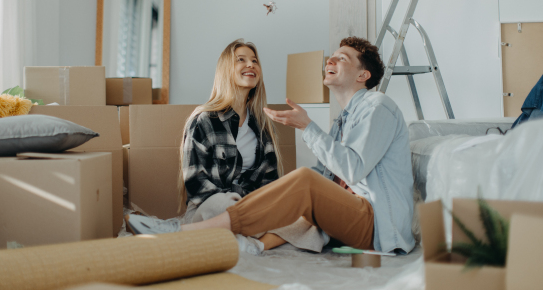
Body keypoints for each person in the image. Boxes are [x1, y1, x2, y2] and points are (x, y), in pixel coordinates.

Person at [127, 36, 415, 254]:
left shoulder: (378, 107)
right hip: (219, 201)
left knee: (302, 186)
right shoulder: (343, 121)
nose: (330, 60)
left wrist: (307, 127)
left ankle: (184, 233)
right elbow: (197, 183)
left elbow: (349, 170)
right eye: (331, 56)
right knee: (294, 199)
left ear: (363, 76)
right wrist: (272, 204)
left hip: (376, 222)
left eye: (341, 59)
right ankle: (246, 240)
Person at [127, 39, 287, 251]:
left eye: (255, 61)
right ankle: (243, 235)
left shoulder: (264, 126)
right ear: (225, 70)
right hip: (212, 207)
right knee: (226, 206)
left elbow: (270, 183)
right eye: (241, 60)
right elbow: (195, 182)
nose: (251, 65)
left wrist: (263, 207)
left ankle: (253, 246)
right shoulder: (203, 120)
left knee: (306, 215)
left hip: (252, 209)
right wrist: (241, 206)